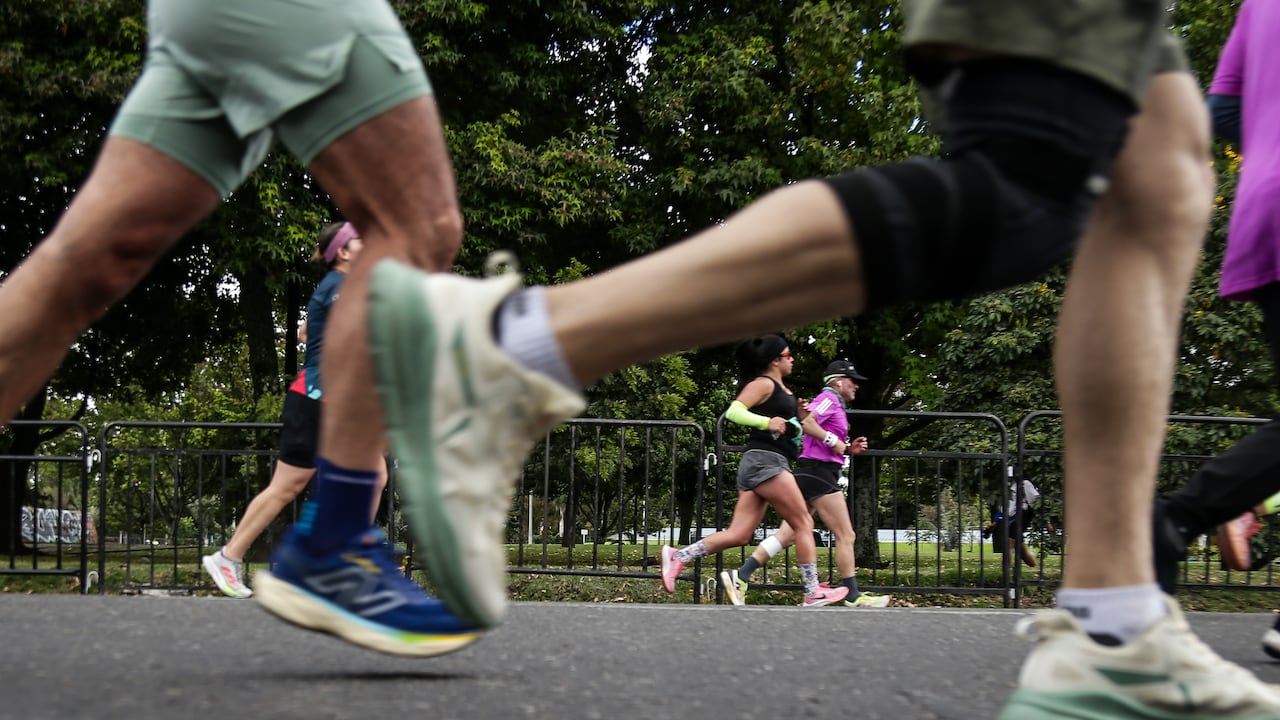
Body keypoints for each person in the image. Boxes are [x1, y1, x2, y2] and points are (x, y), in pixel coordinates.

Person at [359, 0, 1280, 713]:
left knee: (1161, 174)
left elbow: (1228, 105)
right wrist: (784, 418)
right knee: (1030, 190)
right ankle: (509, 349)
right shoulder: (774, 387)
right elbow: (741, 411)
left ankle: (1115, 632)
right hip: (774, 458)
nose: (818, 370)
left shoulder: (806, 396)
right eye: (813, 364)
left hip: (787, 460)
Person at [0, 0, 484, 656]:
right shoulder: (341, 286)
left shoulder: (334, 285)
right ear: (344, 250)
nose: (363, 243)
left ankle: (301, 549)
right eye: (356, 238)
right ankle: (328, 554)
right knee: (421, 232)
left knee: (79, 267)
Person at [1150, 0, 1280, 663]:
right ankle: (1179, 517)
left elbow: (1223, 113)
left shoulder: (1257, 7)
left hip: (1264, 208)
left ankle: (1179, 518)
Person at [202, 222, 387, 599]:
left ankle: (231, 556)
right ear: (344, 253)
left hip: (319, 399)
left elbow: (315, 330)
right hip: (322, 399)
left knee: (294, 485)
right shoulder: (341, 287)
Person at [659, 336, 849, 607]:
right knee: (803, 524)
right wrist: (766, 422)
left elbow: (792, 432)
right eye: (788, 355)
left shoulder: (786, 392)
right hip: (765, 462)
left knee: (739, 534)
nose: (792, 359)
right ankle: (811, 591)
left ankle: (679, 557)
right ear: (775, 360)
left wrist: (798, 418)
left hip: (767, 463)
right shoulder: (763, 383)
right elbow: (734, 412)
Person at [720, 359, 890, 608]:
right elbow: (806, 423)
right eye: (853, 381)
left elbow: (820, 432)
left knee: (787, 535)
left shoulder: (836, 403)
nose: (857, 386)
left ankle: (741, 576)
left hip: (818, 472)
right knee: (846, 534)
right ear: (838, 381)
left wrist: (847, 449)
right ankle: (852, 596)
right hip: (818, 474)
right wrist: (837, 443)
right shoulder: (828, 398)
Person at [984, 472, 1043, 569]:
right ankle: (1038, 570)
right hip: (1011, 519)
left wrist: (1046, 522)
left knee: (1008, 545)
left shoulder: (1025, 484)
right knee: (1022, 553)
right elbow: (1006, 508)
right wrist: (995, 522)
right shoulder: (1009, 486)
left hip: (1021, 518)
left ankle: (1005, 575)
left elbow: (1037, 502)